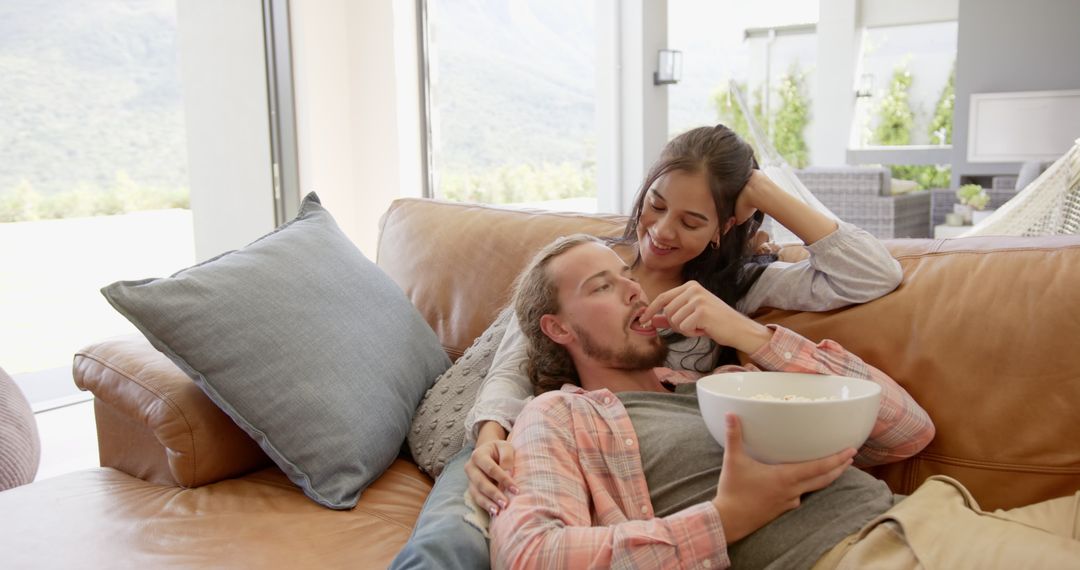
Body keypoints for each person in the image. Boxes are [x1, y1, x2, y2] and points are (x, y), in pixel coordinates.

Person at [390, 124, 903, 568]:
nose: (660, 231)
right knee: (451, 543)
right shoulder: (583, 265)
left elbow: (871, 275)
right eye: (656, 205)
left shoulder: (736, 289)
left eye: (692, 221)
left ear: (726, 226)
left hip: (622, 466)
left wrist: (762, 191)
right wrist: (489, 441)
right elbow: (513, 369)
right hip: (528, 432)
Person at [489, 234, 1080, 569]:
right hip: (869, 554)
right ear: (559, 330)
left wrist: (751, 337)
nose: (633, 287)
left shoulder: (721, 380)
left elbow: (908, 432)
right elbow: (530, 555)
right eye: (601, 287)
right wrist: (725, 519)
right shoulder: (558, 417)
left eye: (625, 275)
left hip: (945, 514)